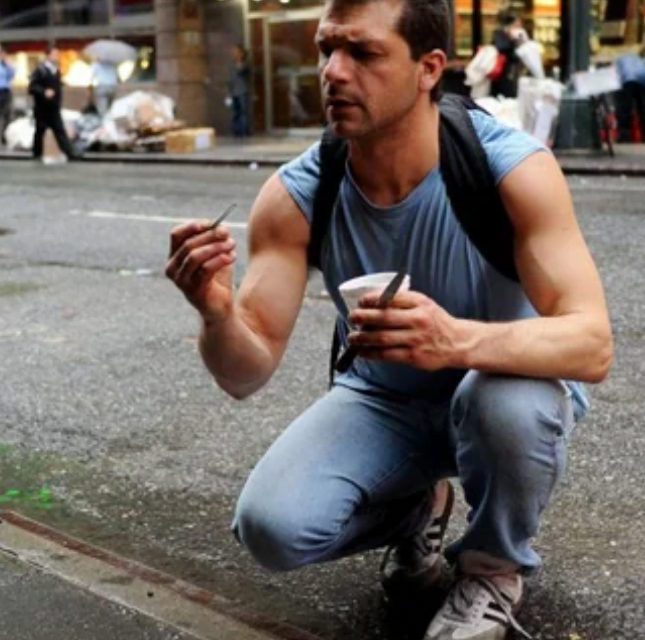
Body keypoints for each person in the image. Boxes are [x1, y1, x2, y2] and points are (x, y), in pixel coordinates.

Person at [165, 0, 612, 637]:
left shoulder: (510, 169)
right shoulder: (299, 193)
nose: (333, 72)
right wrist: (213, 311)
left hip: (495, 385)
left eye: (364, 53)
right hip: (383, 400)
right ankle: (415, 512)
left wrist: (454, 339)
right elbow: (245, 370)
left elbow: (591, 343)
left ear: (429, 68)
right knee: (270, 528)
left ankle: (490, 571)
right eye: (326, 50)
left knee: (507, 404)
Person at [28, 47, 78, 161]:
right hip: (42, 107)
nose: (56, 57)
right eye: (54, 54)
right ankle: (37, 153)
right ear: (48, 56)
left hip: (53, 107)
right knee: (40, 131)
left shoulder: (56, 70)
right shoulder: (40, 70)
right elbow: (32, 87)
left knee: (59, 130)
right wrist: (44, 91)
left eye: (57, 54)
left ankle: (69, 152)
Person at [614, 49, 645, 143]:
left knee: (625, 108)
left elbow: (615, 76)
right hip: (643, 79)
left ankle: (625, 135)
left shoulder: (618, 60)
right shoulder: (638, 59)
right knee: (643, 107)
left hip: (627, 79)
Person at [490, 12, 526, 98]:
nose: (519, 26)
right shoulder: (500, 34)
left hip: (511, 71)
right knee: (504, 93)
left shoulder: (516, 35)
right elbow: (501, 48)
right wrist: (512, 40)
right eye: (516, 24)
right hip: (502, 72)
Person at [229, 44, 253, 138]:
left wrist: (239, 61)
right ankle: (236, 131)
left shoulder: (245, 64)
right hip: (234, 91)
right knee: (235, 113)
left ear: (241, 53)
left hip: (243, 91)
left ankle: (245, 131)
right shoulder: (233, 64)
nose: (234, 54)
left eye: (236, 52)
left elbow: (241, 71)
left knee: (243, 112)